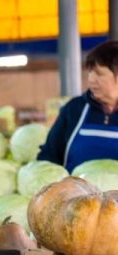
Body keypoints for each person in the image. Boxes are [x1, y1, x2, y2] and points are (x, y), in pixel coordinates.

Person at [38, 41, 118, 171]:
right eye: (90, 72)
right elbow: (49, 156)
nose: (91, 80)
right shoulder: (74, 109)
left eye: (99, 73)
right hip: (74, 191)